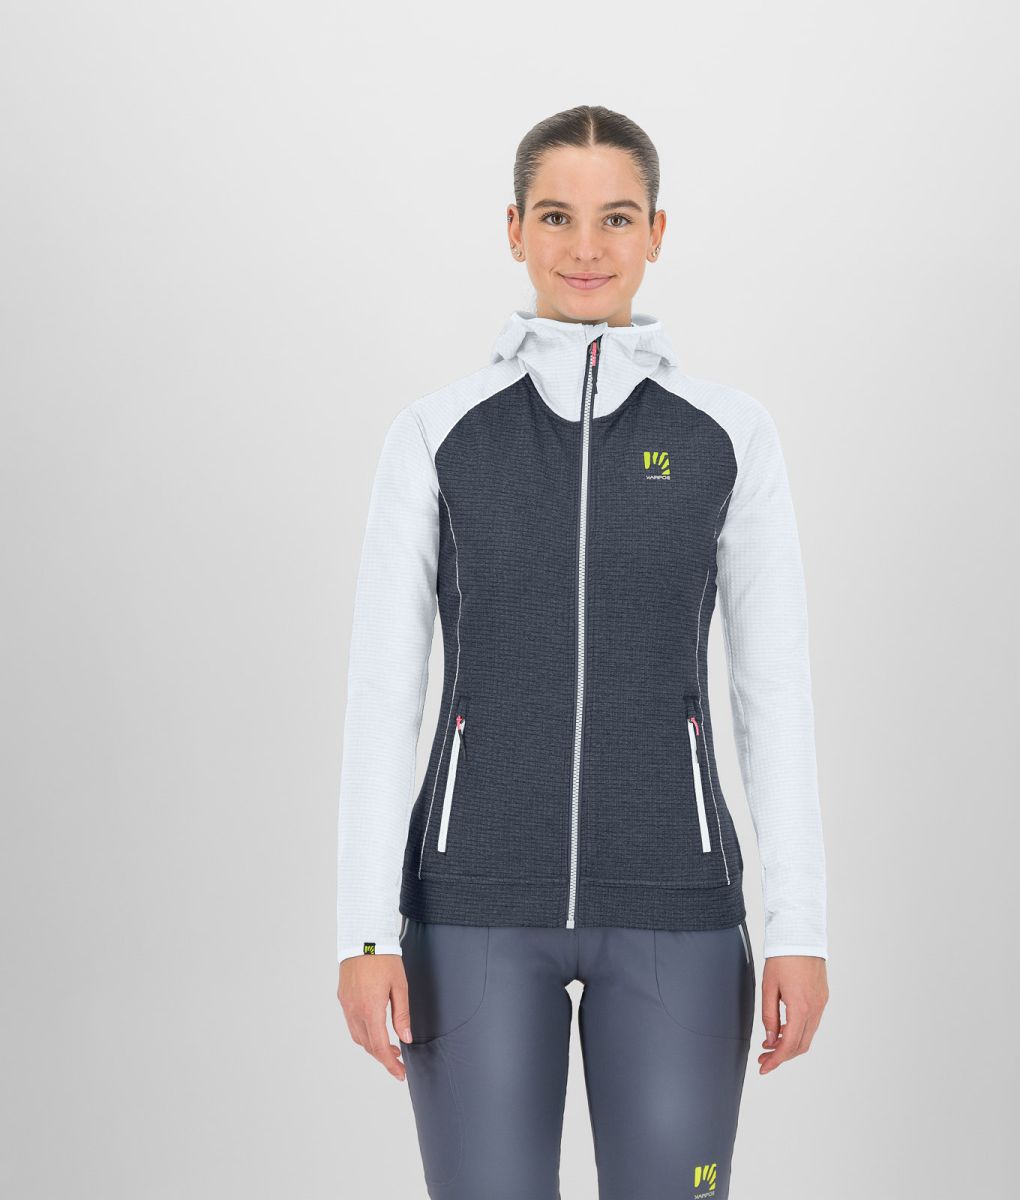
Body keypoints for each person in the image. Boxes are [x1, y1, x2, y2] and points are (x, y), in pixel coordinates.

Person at [335, 104, 829, 1200]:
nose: (587, 247)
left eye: (617, 217)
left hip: (678, 906)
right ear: (514, 229)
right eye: (557, 216)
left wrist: (801, 926)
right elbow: (382, 696)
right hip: (470, 908)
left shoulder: (726, 435)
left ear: (658, 232)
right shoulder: (438, 434)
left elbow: (773, 694)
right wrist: (364, 936)